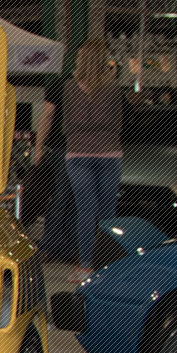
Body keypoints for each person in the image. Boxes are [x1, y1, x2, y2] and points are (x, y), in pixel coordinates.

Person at [60, 39, 125, 279]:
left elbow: (67, 122)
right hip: (110, 153)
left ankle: (85, 266)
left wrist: (81, 131)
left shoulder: (69, 87)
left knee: (85, 210)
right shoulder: (113, 87)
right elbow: (117, 122)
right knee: (108, 211)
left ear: (82, 59)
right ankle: (108, 266)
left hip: (78, 153)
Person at [29, 76, 76, 263]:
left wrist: (39, 147)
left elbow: (47, 116)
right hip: (82, 149)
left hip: (61, 147)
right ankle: (66, 248)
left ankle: (49, 247)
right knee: (73, 200)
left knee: (60, 198)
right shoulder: (97, 85)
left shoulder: (60, 83)